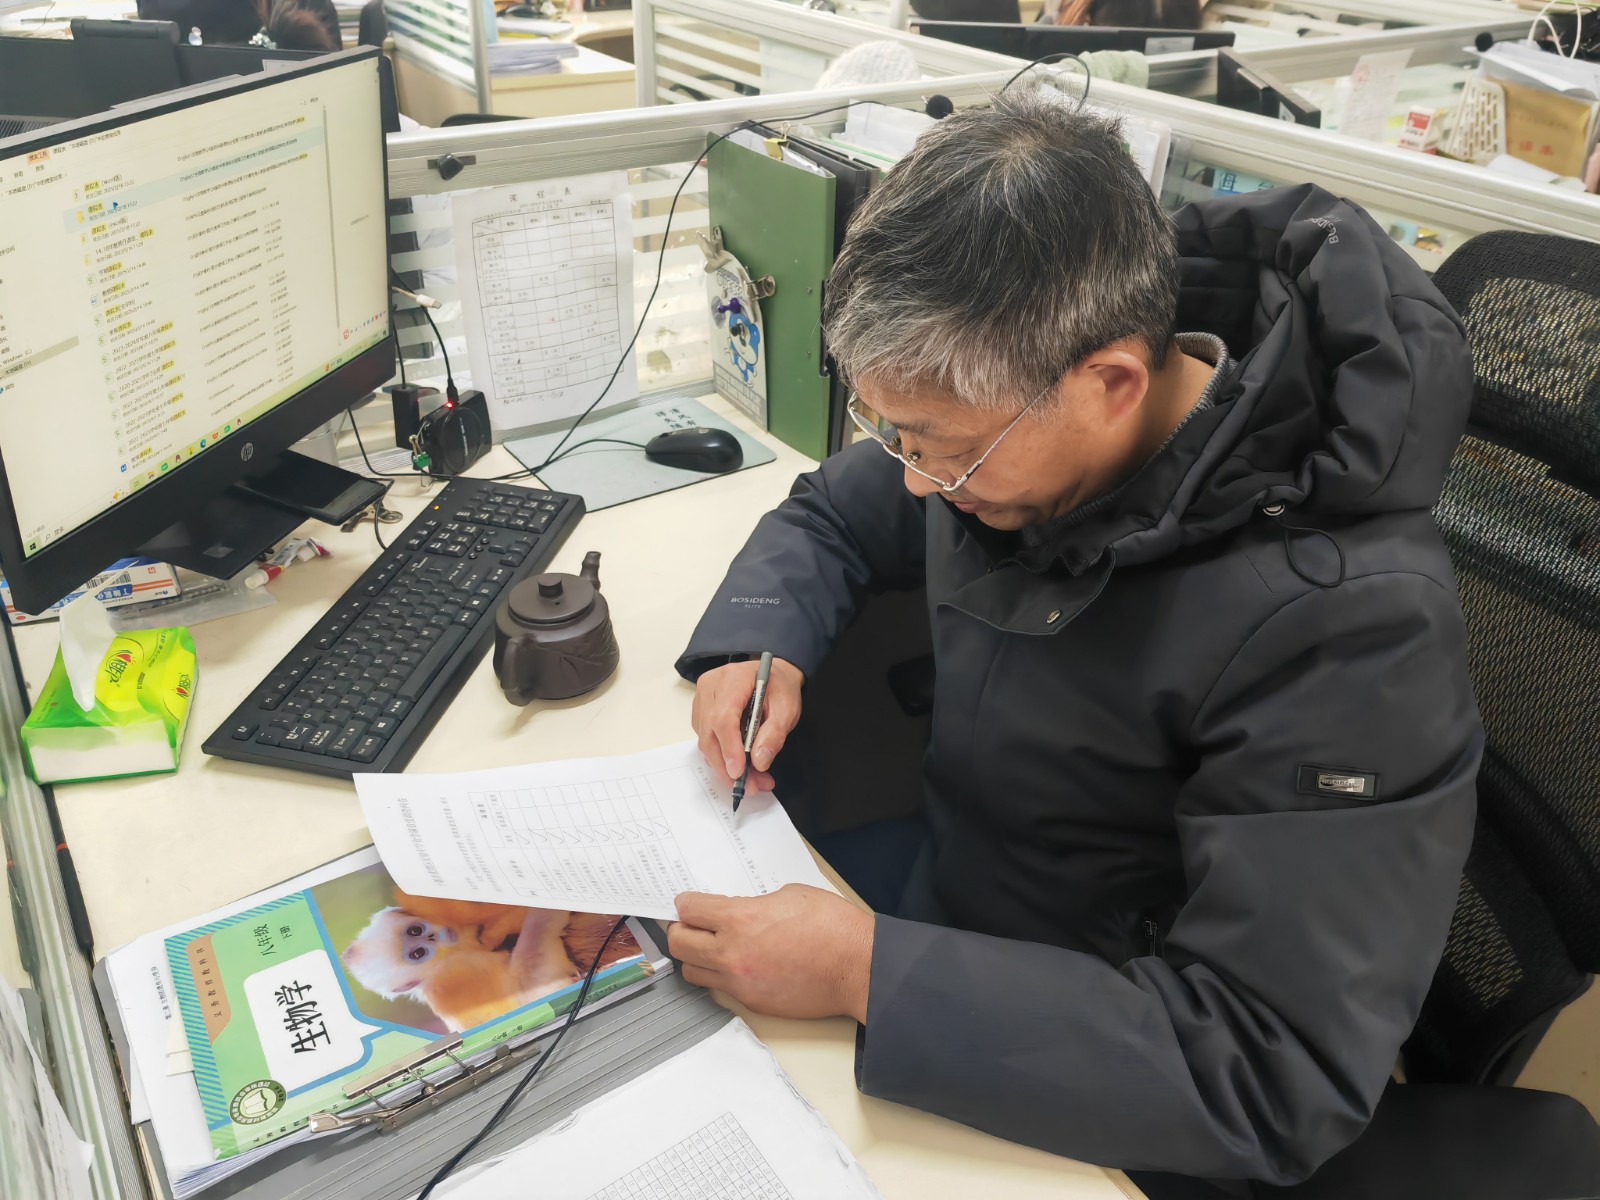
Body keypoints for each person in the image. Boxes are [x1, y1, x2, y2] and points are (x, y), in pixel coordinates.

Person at [667, 87, 1483, 1192]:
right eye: (892, 432)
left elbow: (1264, 1067)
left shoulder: (1352, 628)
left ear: (1111, 385)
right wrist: (758, 642)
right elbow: (836, 512)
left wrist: (869, 973)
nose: (918, 482)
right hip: (954, 912)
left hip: (1101, 1068)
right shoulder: (1013, 396)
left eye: (940, 447)